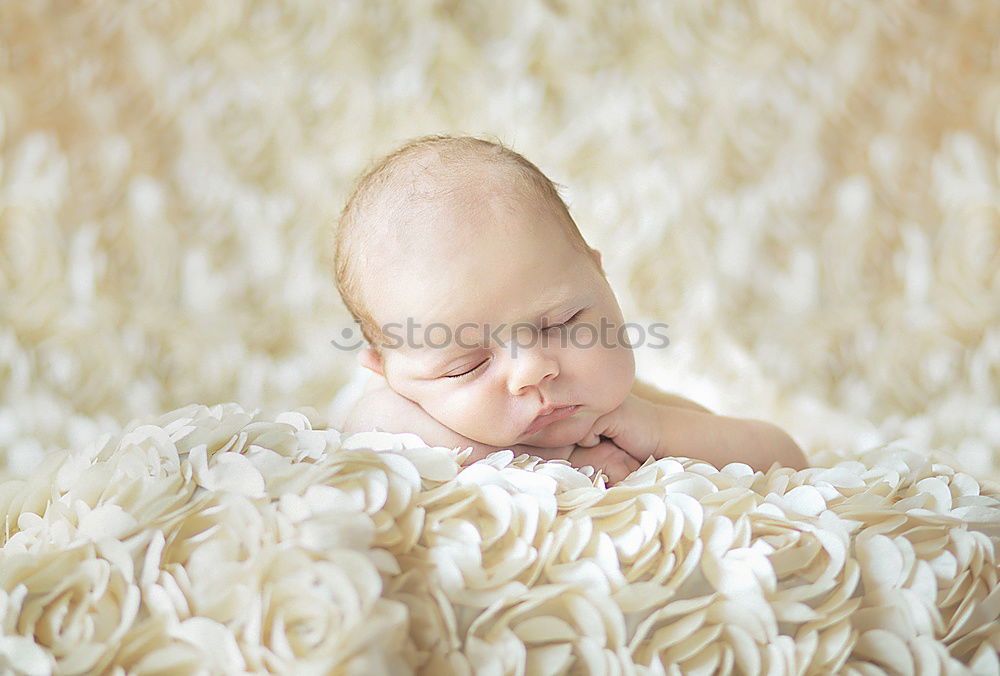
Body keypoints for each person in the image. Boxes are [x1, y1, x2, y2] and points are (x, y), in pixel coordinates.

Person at [334, 135, 807, 483]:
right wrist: (552, 463)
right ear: (386, 371)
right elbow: (367, 427)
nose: (532, 370)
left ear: (600, 279)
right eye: (468, 364)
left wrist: (663, 430)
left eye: (563, 323)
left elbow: (788, 461)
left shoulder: (634, 414)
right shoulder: (398, 410)